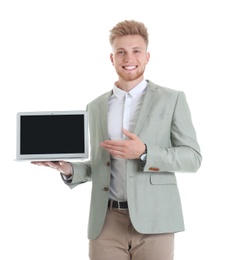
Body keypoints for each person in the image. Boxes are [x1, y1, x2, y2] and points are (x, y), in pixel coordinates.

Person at [32, 20, 202, 260]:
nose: (128, 58)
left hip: (156, 219)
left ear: (147, 56)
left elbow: (192, 158)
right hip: (106, 221)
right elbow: (99, 164)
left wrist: (144, 152)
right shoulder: (96, 106)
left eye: (136, 51)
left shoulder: (172, 99)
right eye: (120, 52)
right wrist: (68, 169)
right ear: (112, 58)